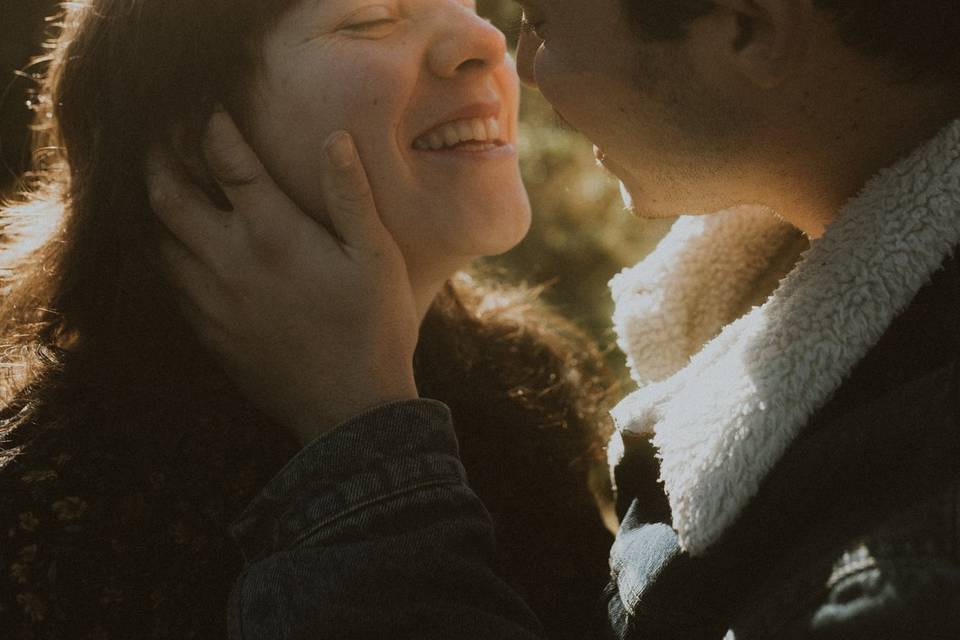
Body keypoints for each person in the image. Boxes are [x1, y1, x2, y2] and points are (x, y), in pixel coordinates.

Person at [151, 0, 960, 637]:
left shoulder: (898, 565)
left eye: (542, 19)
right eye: (367, 20)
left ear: (745, 29)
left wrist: (356, 453)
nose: (513, 59)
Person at [0, 1, 619, 638]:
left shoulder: (519, 380)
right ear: (197, 142)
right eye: (371, 18)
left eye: (467, 2)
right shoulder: (51, 496)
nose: (487, 39)